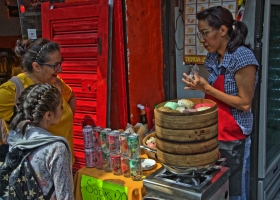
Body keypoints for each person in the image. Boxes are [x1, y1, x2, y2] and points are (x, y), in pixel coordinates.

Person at [182, 6, 259, 200]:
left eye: (205, 33)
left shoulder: (242, 57)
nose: (202, 40)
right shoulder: (214, 57)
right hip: (214, 135)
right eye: (200, 34)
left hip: (234, 139)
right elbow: (215, 94)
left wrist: (206, 88)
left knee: (235, 192)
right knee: (217, 189)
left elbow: (244, 104)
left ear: (223, 30)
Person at [0, 38, 76, 163]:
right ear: (36, 66)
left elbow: (71, 97)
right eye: (54, 66)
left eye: (60, 63)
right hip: (33, 174)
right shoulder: (12, 90)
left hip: (63, 164)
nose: (60, 70)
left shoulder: (55, 82)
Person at [8, 83, 74, 199]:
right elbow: (65, 196)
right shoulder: (56, 148)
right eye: (61, 106)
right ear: (48, 115)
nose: (63, 109)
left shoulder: (15, 136)